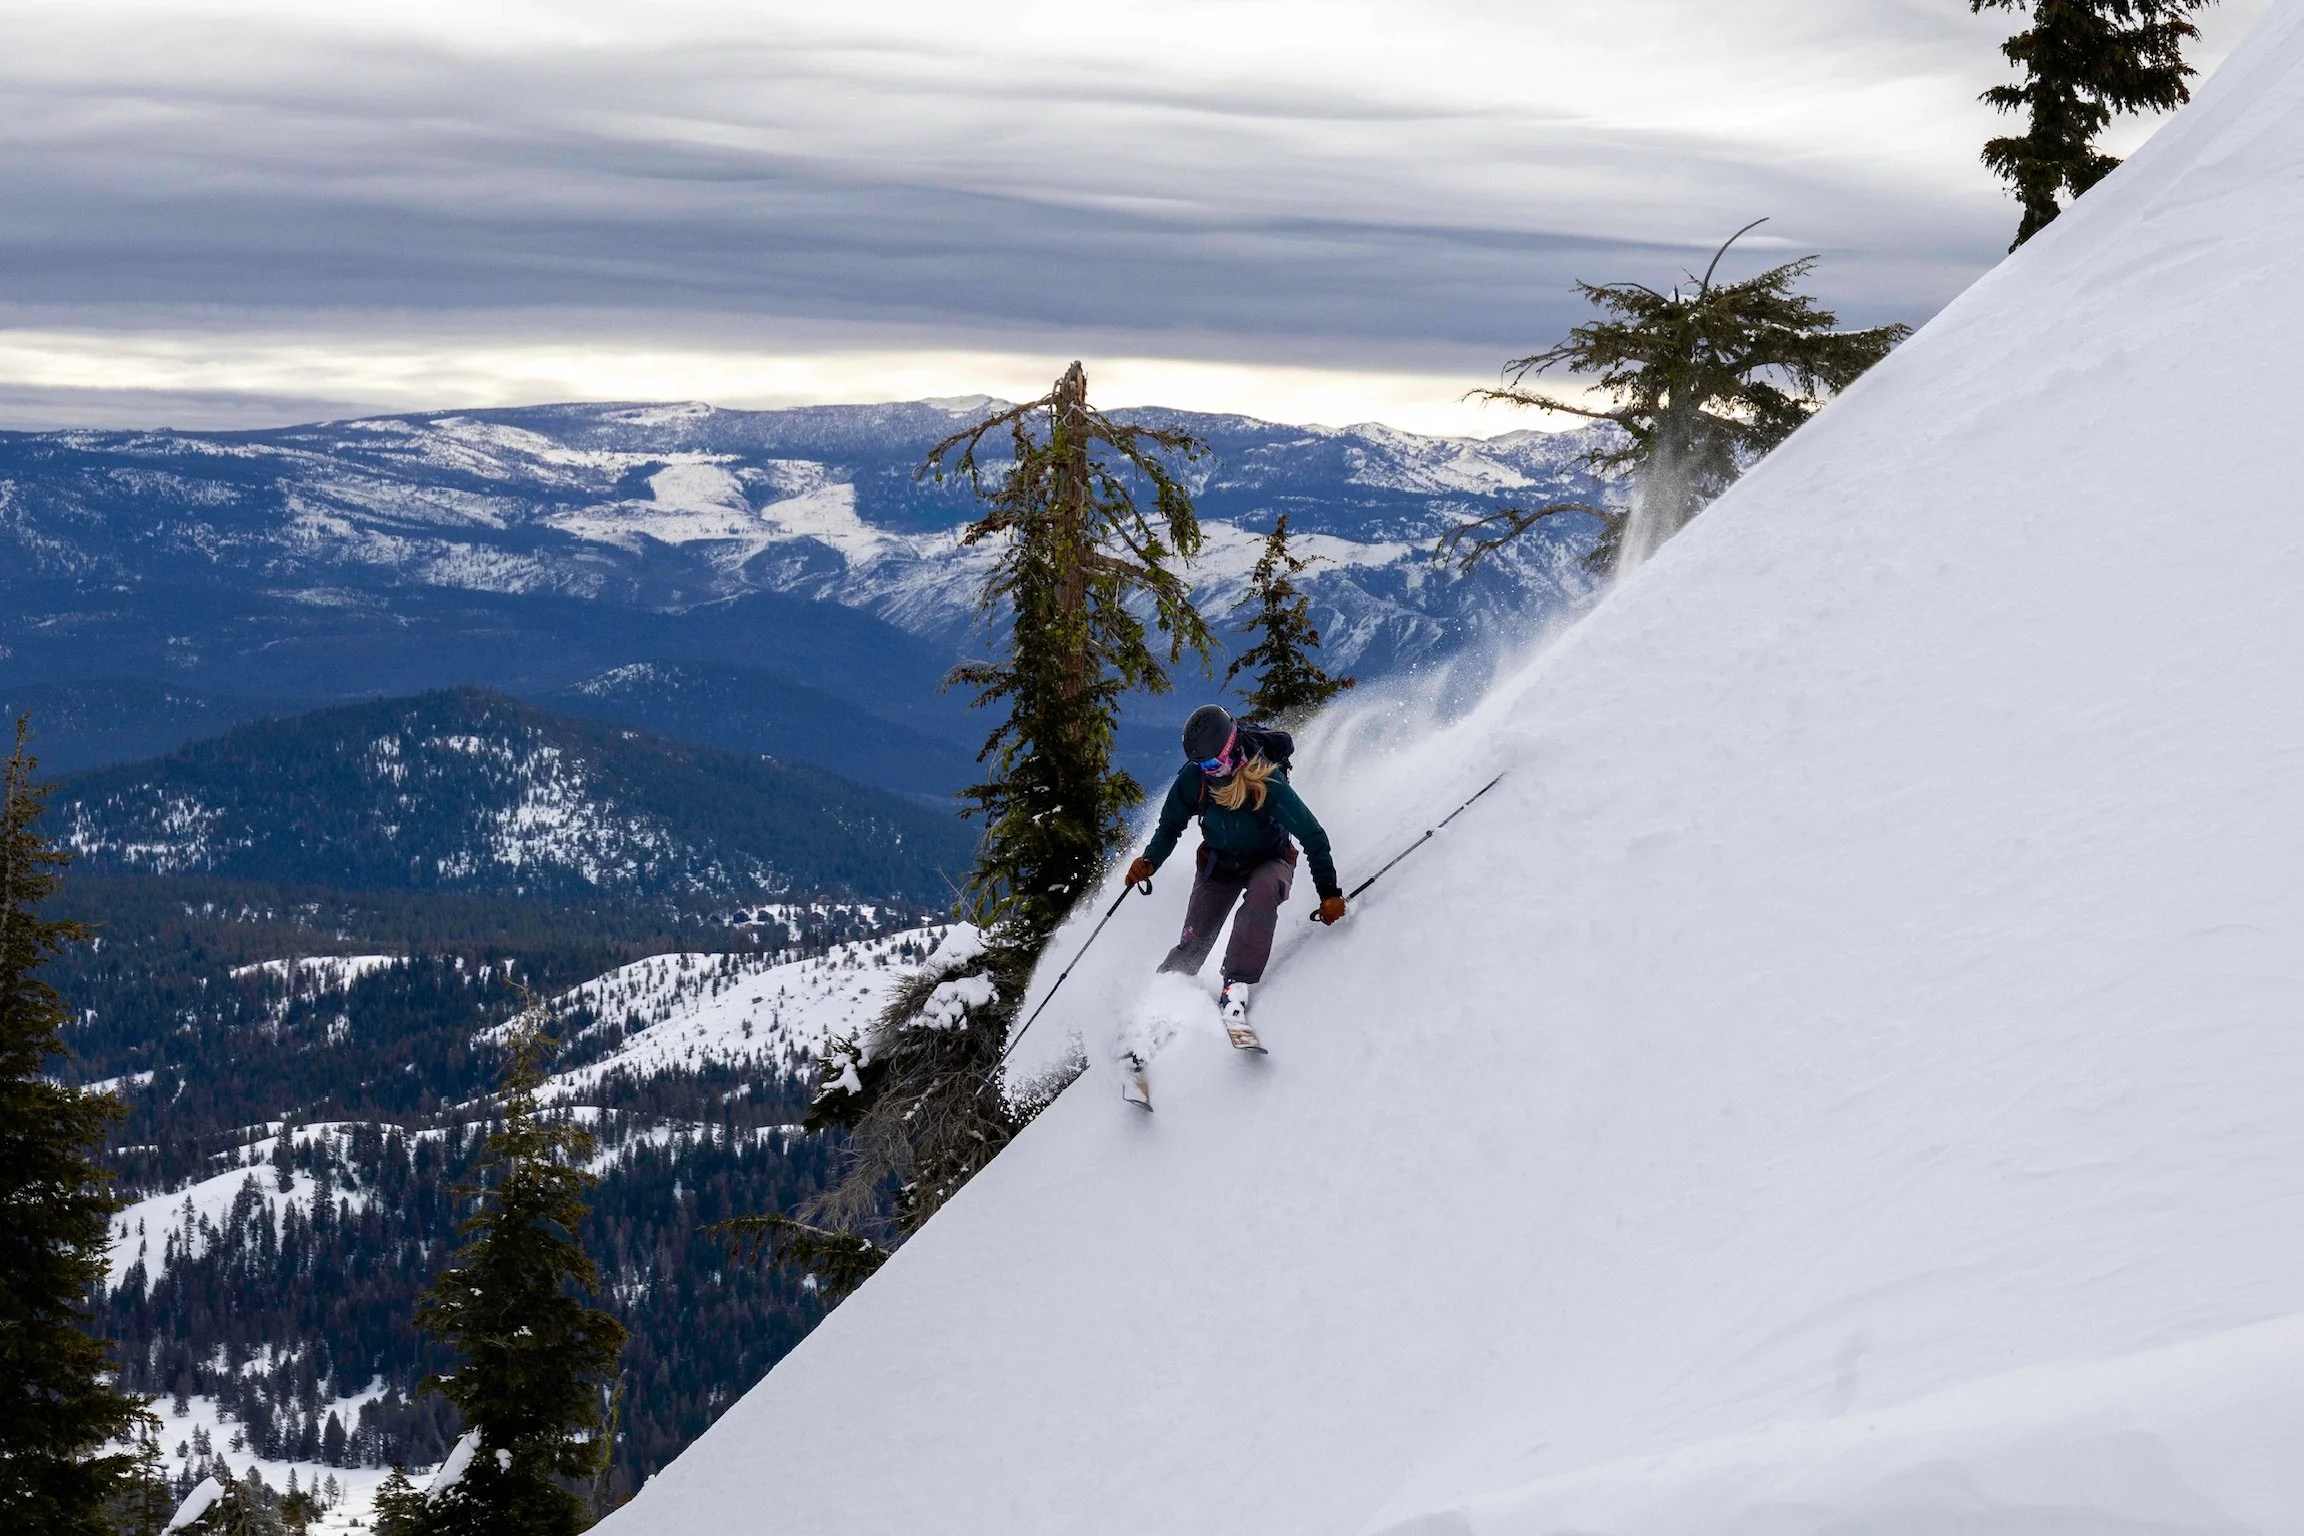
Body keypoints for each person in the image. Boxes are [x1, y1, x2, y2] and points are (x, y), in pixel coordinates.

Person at [1124, 704, 1346, 1038]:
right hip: (1220, 863)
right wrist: (1150, 860)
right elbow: (1170, 825)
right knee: (1193, 942)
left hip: (1269, 860)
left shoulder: (1265, 781)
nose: (1210, 771)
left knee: (1262, 892)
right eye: (1202, 765)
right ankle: (1155, 1006)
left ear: (1230, 749)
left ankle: (1235, 985)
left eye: (1213, 763)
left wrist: (1328, 893)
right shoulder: (1194, 779)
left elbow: (1312, 835)